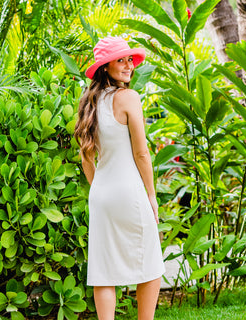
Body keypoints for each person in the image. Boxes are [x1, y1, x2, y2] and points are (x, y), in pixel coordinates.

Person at [74, 36, 165, 320]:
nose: (128, 66)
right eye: (120, 60)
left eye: (129, 60)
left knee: (104, 271)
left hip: (100, 195)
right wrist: (151, 196)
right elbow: (141, 153)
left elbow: (85, 158)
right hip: (130, 193)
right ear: (105, 67)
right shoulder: (128, 98)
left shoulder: (89, 102)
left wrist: (98, 188)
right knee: (151, 265)